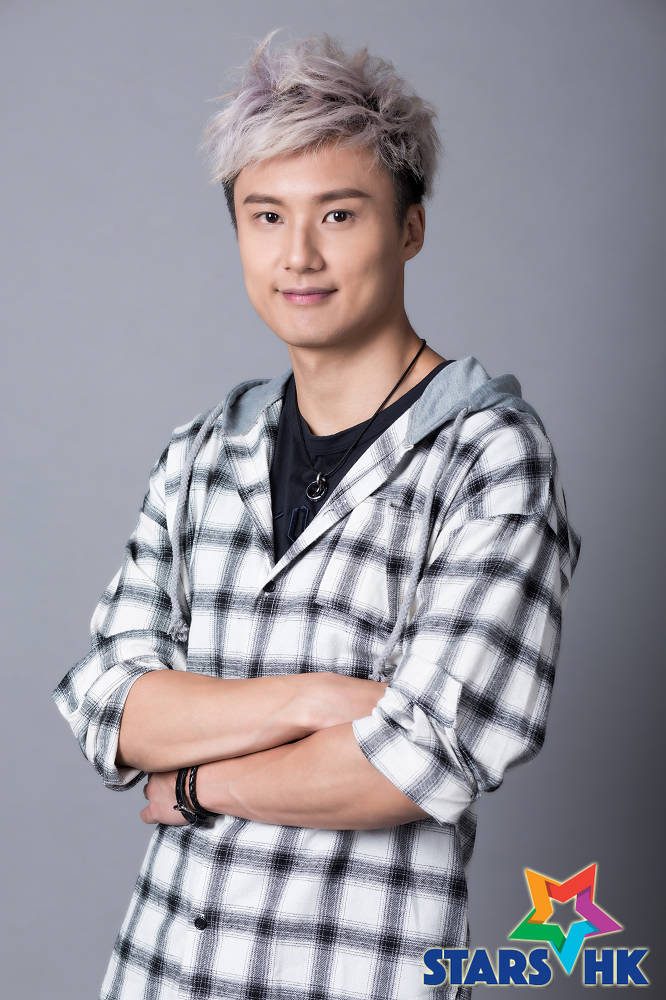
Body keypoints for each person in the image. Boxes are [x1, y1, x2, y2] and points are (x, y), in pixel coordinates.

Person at [50, 28, 582, 1000]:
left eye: (338, 213)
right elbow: (107, 703)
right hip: (159, 973)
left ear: (409, 228)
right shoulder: (202, 451)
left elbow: (420, 759)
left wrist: (197, 782)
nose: (298, 255)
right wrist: (310, 701)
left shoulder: (488, 455)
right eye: (266, 216)